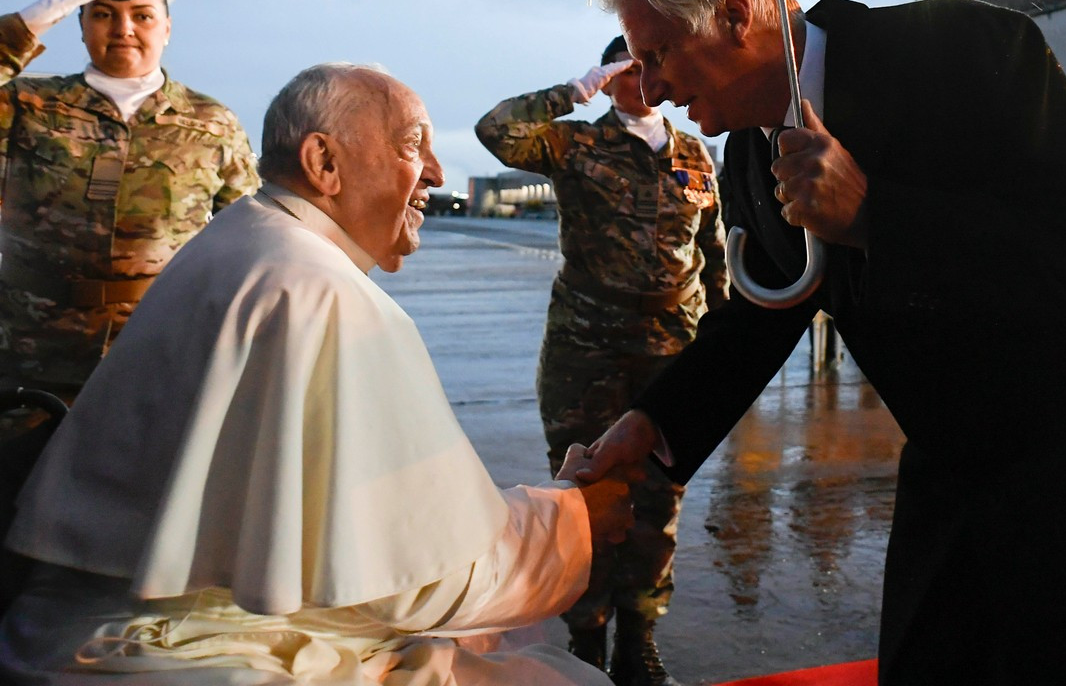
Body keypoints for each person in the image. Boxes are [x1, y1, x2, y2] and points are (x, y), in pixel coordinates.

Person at [577, 0, 1066, 686]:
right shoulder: (747, 158)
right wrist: (654, 424)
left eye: (659, 54)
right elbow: (767, 309)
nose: (653, 87)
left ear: (737, 14)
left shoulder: (965, 51)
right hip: (961, 452)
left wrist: (877, 217)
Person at [0, 63, 634, 685]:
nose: (437, 173)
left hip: (93, 620)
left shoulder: (245, 240)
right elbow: (416, 582)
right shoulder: (318, 292)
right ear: (323, 163)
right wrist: (576, 519)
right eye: (413, 145)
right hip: (206, 645)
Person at [475, 36, 727, 685]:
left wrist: (723, 340)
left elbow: (714, 249)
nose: (642, 78)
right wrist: (574, 90)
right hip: (587, 348)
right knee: (586, 489)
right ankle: (585, 637)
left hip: (673, 344)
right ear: (611, 76)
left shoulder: (693, 151)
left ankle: (638, 640)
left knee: (659, 493)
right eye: (628, 66)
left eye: (652, 65)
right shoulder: (577, 144)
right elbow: (495, 130)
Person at [0, 0, 260, 415]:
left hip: (160, 360)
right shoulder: (25, 105)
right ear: (78, 26)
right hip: (30, 363)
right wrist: (16, 34)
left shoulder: (211, 122)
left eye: (142, 15)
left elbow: (254, 237)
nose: (123, 29)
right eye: (102, 14)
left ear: (167, 28)